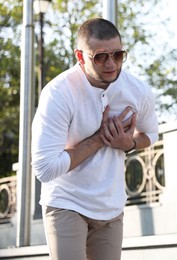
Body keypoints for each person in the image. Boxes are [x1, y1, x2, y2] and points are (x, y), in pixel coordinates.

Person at [31, 18, 159, 260]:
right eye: (100, 57)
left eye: (118, 55)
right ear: (80, 57)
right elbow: (45, 169)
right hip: (65, 202)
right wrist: (100, 139)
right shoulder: (58, 94)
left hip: (110, 206)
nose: (111, 64)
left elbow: (150, 134)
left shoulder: (138, 91)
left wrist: (129, 143)